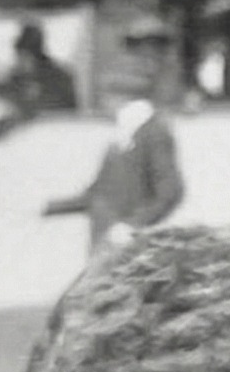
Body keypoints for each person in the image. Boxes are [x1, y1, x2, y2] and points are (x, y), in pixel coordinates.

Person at [41, 18, 184, 256]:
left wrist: (132, 225)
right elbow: (98, 193)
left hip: (127, 249)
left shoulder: (152, 132)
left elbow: (171, 192)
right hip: (105, 243)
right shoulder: (122, 134)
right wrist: (49, 207)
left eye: (110, 95)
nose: (105, 103)